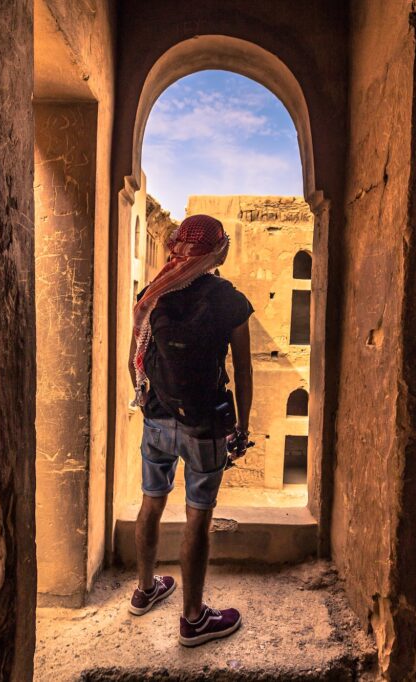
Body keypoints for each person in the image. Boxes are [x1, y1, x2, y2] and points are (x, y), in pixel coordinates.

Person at [126, 213, 253, 647]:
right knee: (198, 517)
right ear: (216, 250)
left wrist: (151, 402)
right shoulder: (228, 299)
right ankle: (194, 620)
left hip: (157, 418)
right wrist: (243, 424)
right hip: (204, 424)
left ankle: (144, 590)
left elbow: (134, 363)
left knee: (151, 504)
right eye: (225, 242)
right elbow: (244, 369)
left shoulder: (154, 293)